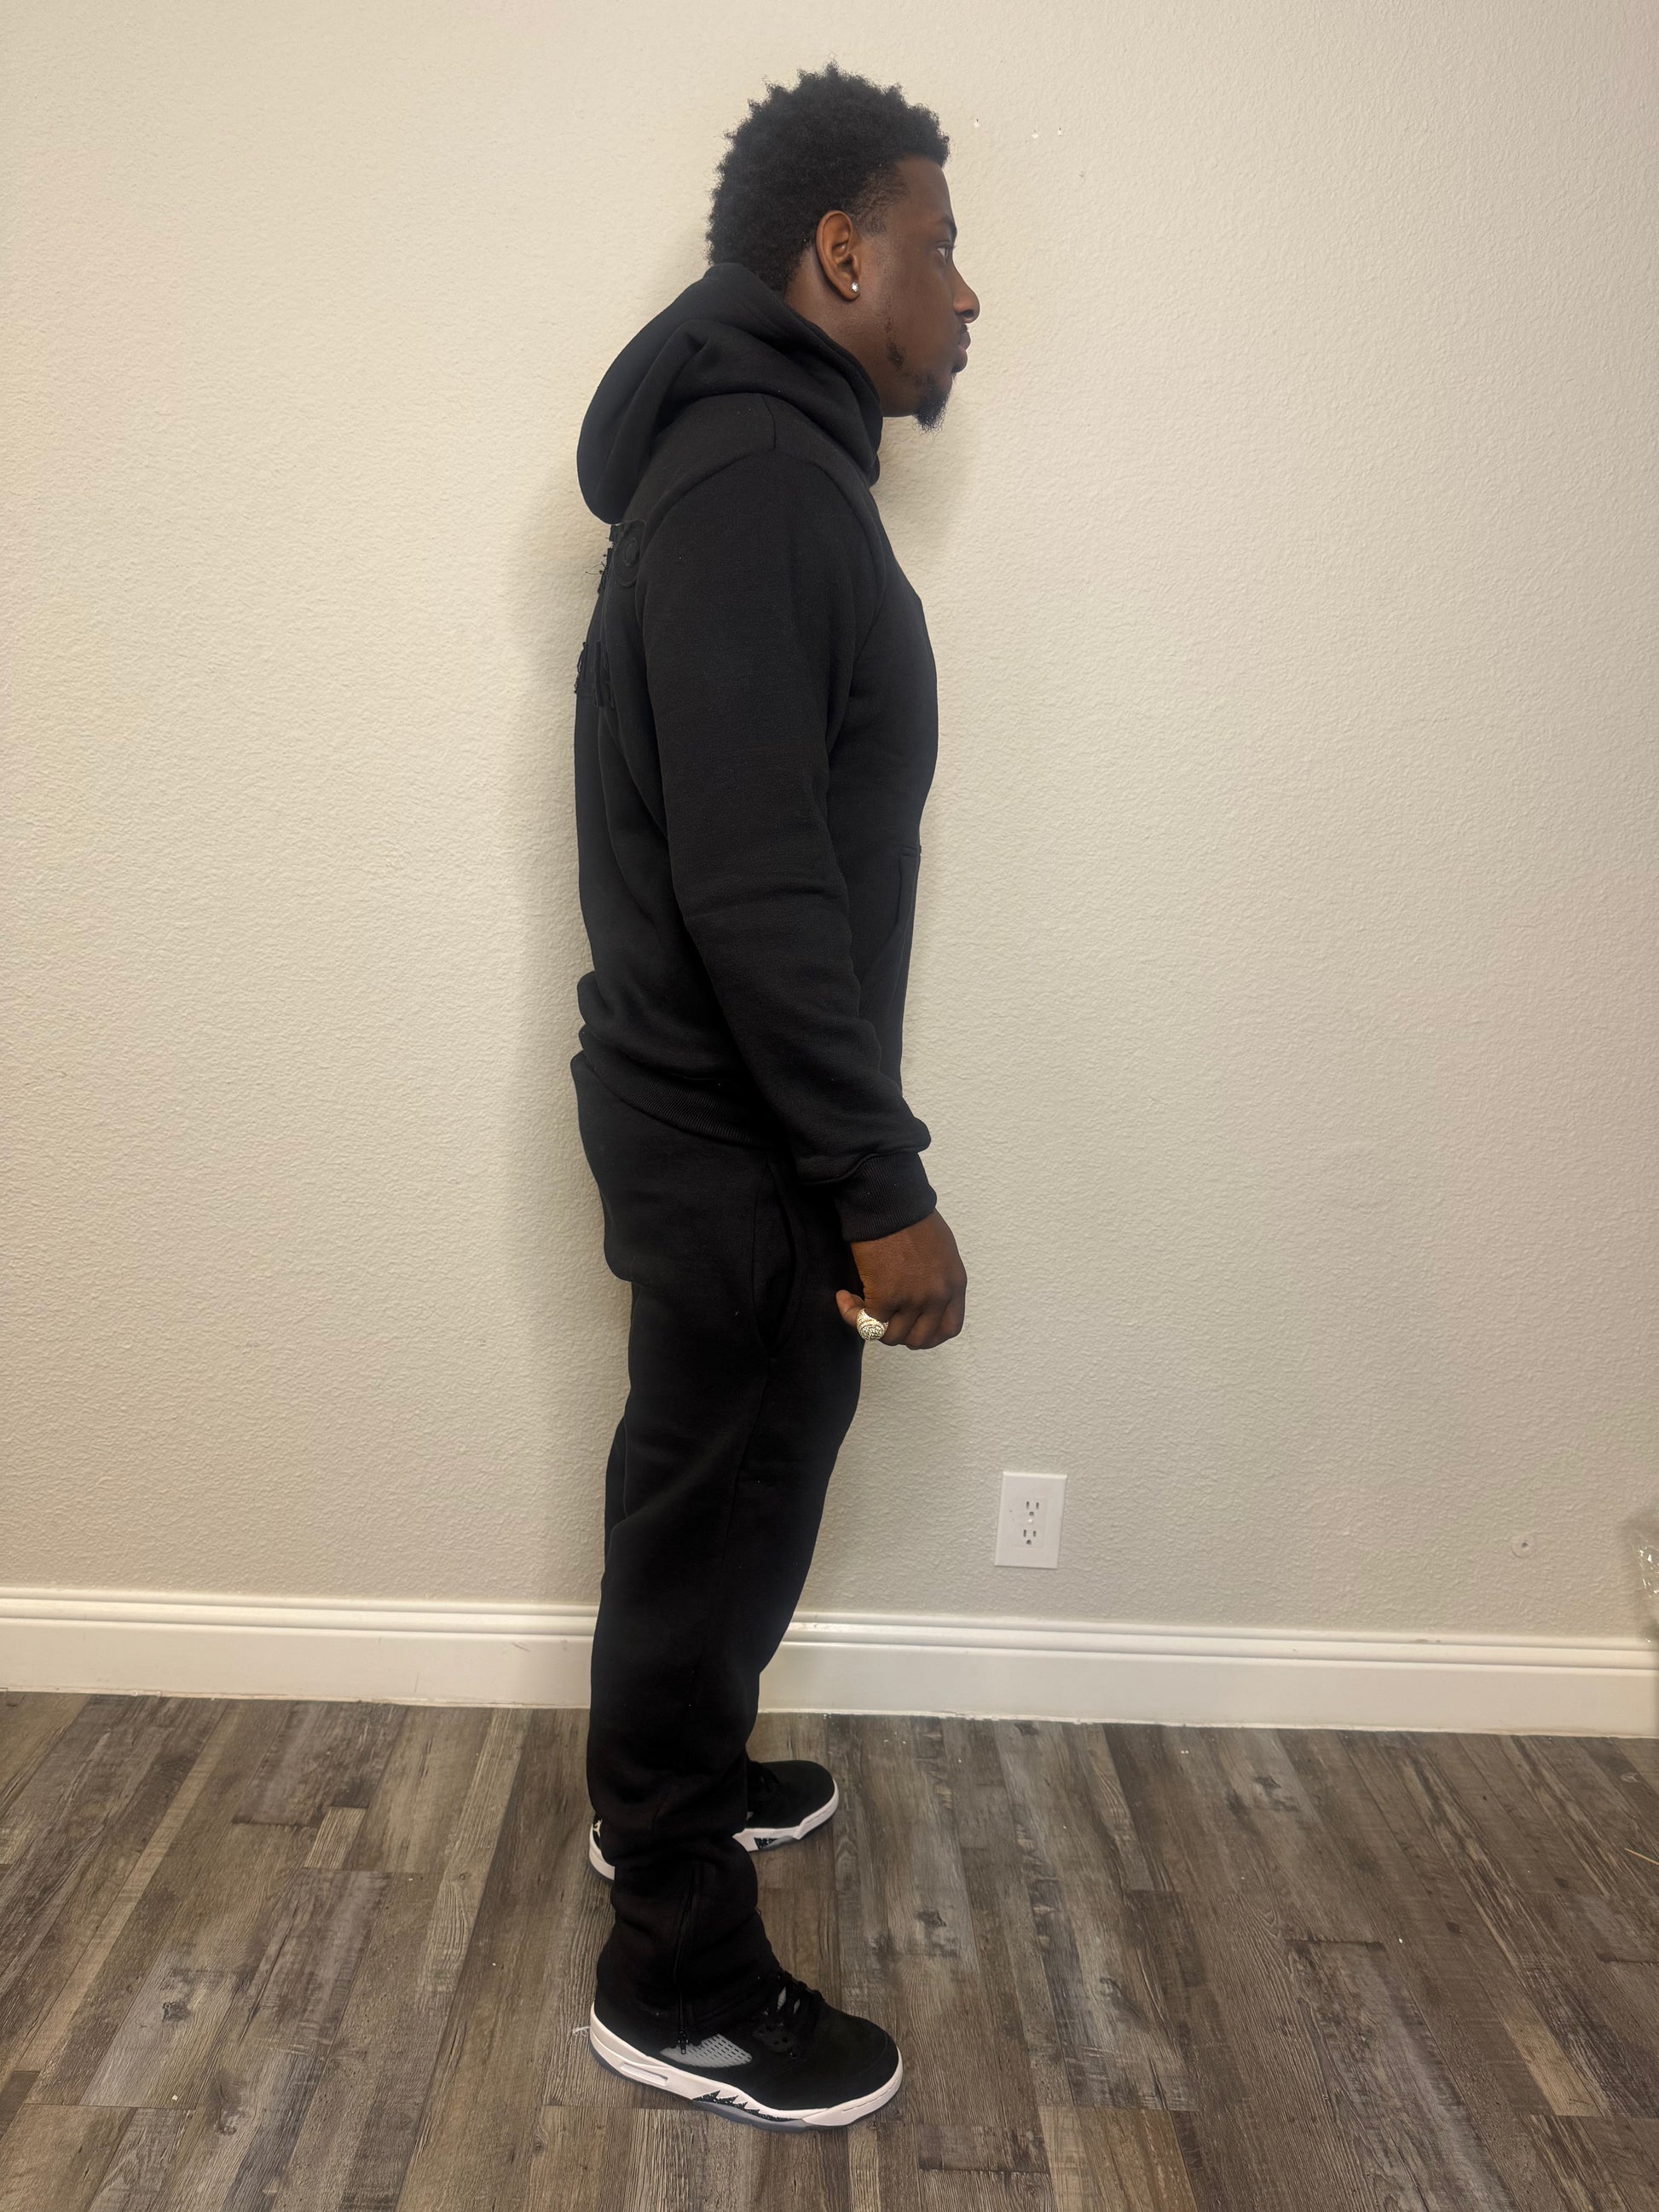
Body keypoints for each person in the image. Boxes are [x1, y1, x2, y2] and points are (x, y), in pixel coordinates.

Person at [568, 60, 979, 2130]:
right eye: (939, 244)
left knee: (747, 1480)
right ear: (840, 251)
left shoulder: (769, 467)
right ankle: (678, 1968)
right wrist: (877, 1178)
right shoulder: (750, 481)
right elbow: (754, 881)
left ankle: (688, 1774)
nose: (967, 295)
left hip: (745, 1122)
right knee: (709, 1505)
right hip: (738, 1129)